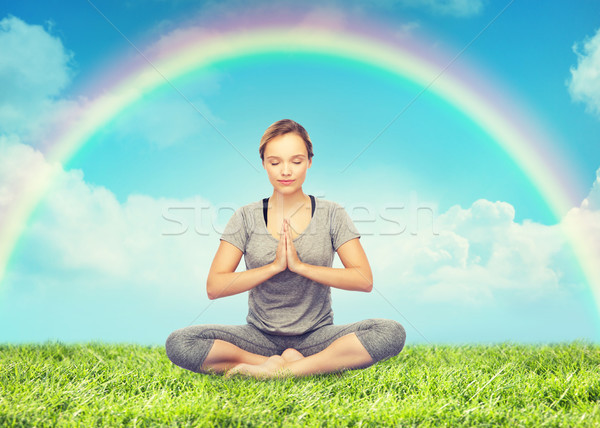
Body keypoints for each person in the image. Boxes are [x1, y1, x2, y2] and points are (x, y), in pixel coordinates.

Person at [165, 119, 406, 378]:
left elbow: (363, 279)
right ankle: (283, 364)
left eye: (296, 161)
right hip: (258, 337)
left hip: (317, 336)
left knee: (390, 332)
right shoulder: (245, 217)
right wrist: (274, 267)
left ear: (310, 162)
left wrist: (300, 267)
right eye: (275, 162)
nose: (286, 171)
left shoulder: (332, 214)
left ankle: (280, 371)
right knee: (180, 342)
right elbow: (214, 286)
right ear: (264, 164)